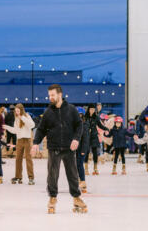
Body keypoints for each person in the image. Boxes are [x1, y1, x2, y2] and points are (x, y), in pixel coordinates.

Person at [31, 84, 87, 214]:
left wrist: (76, 139)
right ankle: (52, 198)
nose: (50, 97)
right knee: (52, 174)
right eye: (49, 95)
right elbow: (41, 129)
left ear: (60, 95)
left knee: (72, 174)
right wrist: (35, 143)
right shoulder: (48, 112)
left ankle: (76, 198)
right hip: (54, 147)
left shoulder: (71, 109)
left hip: (68, 148)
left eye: (52, 95)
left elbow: (79, 125)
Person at [3, 104, 36, 185]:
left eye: (18, 111)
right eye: (16, 111)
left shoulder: (27, 115)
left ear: (21, 110)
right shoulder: (16, 119)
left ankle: (31, 178)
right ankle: (18, 176)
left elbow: (32, 125)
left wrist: (23, 118)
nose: (17, 112)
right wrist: (6, 127)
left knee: (28, 158)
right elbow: (15, 130)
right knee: (18, 159)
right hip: (19, 140)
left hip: (27, 140)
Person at [84, 104, 109, 175]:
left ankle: (95, 168)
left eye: (93, 109)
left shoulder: (96, 117)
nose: (92, 111)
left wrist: (106, 129)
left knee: (95, 153)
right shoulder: (85, 117)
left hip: (94, 136)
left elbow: (100, 125)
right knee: (87, 152)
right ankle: (86, 169)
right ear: (88, 109)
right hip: (87, 136)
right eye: (91, 109)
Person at [75, 107, 90, 193]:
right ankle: (77, 181)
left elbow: (86, 139)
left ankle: (83, 181)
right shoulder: (74, 124)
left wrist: (83, 150)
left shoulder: (84, 125)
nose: (79, 116)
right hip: (75, 148)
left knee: (80, 165)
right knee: (76, 165)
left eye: (80, 114)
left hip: (81, 149)